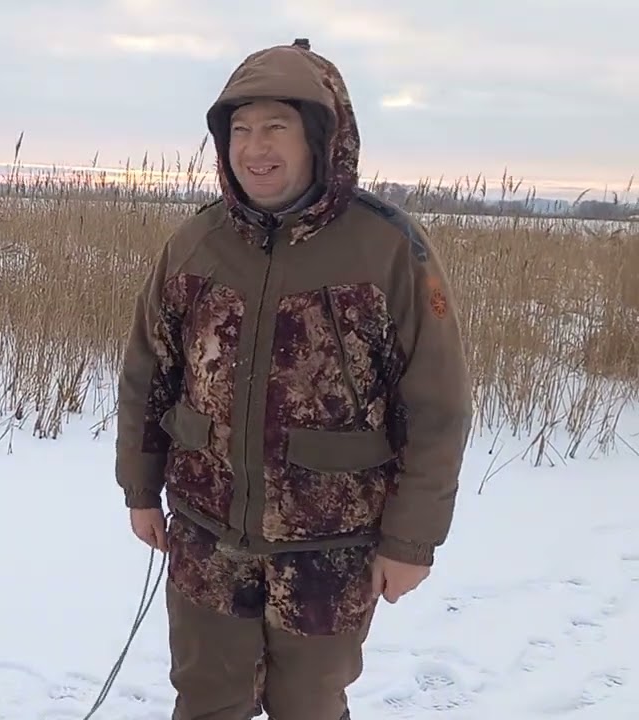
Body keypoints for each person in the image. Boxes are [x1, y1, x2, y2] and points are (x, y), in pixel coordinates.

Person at [114, 38, 472, 719]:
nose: (256, 148)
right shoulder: (195, 242)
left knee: (309, 705)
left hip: (330, 545)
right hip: (205, 532)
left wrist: (410, 541)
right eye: (241, 130)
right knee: (205, 700)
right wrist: (140, 487)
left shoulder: (388, 246)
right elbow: (147, 372)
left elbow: (436, 404)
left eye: (275, 127)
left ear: (319, 137)